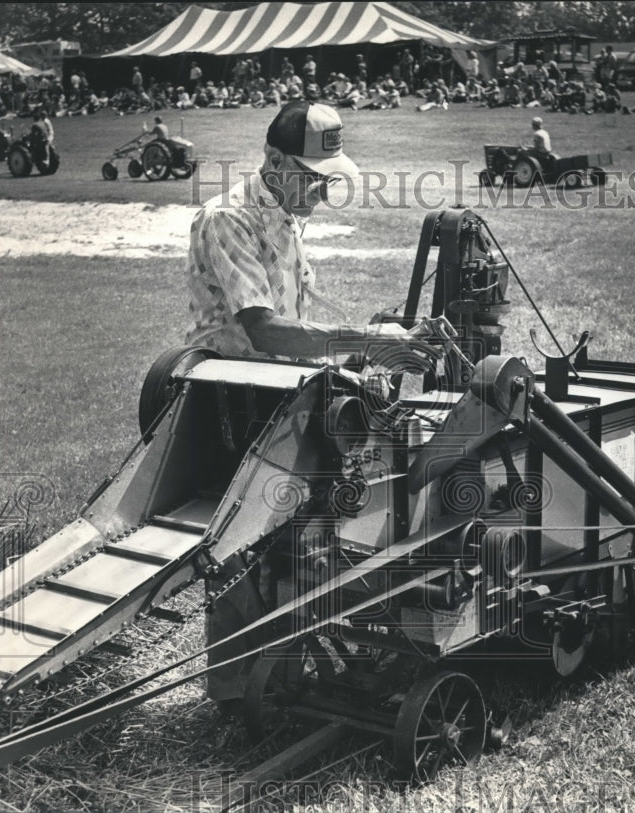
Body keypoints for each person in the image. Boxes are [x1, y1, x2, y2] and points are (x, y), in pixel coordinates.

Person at [186, 101, 444, 714]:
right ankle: (237, 695)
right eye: (311, 176)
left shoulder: (288, 217)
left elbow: (299, 323)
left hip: (286, 396)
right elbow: (268, 332)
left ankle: (294, 670)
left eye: (328, 178)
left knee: (307, 533)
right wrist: (367, 342)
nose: (322, 192)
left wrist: (374, 340)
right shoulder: (227, 219)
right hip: (235, 399)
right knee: (243, 549)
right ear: (273, 161)